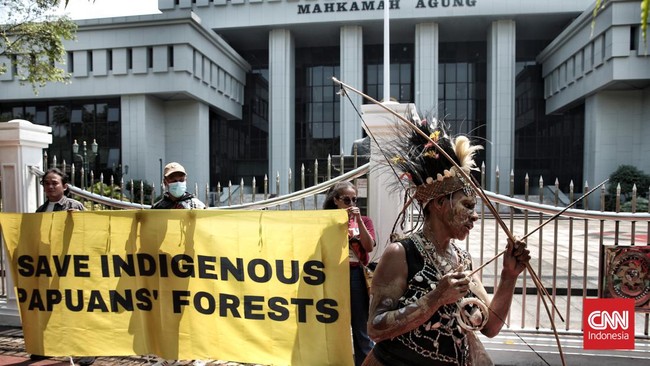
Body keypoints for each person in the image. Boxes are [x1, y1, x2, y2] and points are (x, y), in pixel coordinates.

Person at [362, 118, 530, 366]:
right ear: (440, 204)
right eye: (467, 205)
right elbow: (376, 328)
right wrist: (436, 298)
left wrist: (509, 276)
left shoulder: (461, 259)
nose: (474, 215)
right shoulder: (401, 253)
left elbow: (490, 327)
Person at [34, 168, 95, 366]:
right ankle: (47, 347)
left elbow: (89, 232)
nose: (50, 186)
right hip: (49, 266)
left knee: (77, 307)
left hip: (71, 266)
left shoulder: (75, 206)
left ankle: (85, 350)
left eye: (54, 183)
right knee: (48, 307)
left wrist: (77, 219)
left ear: (65, 186)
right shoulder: (41, 211)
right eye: (47, 183)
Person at [323, 181, 376, 366]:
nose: (351, 204)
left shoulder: (365, 221)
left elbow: (369, 247)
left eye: (355, 199)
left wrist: (359, 221)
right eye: (347, 200)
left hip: (354, 275)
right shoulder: (326, 221)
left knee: (360, 324)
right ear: (336, 200)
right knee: (333, 324)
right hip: (332, 275)